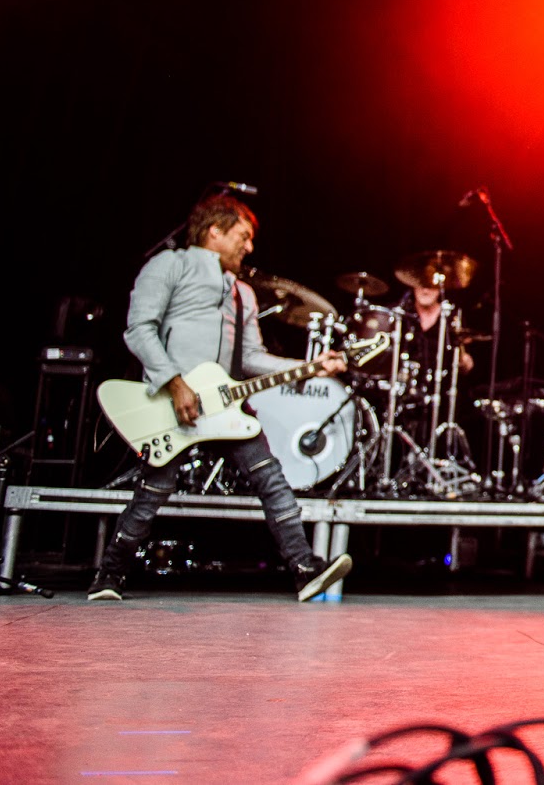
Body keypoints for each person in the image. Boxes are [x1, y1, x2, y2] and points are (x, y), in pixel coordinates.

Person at [89, 195, 354, 602]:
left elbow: (249, 357)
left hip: (225, 407)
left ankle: (305, 569)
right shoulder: (168, 265)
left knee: (271, 479)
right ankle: (108, 577)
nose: (248, 247)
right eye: (242, 237)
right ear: (214, 230)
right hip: (171, 405)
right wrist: (175, 384)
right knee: (152, 493)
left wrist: (311, 366)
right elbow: (139, 330)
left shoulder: (243, 293)